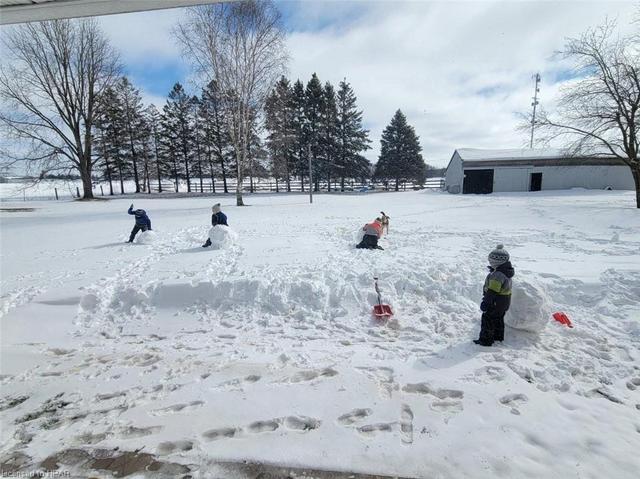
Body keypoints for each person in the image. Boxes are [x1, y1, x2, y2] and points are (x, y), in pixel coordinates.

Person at [474, 244, 515, 346]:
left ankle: (485, 340)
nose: (490, 263)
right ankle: (498, 337)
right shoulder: (506, 272)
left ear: (496, 262)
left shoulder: (497, 275)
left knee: (488, 319)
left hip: (495, 301)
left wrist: (486, 303)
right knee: (498, 319)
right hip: (504, 302)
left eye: (491, 261)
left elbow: (492, 291)